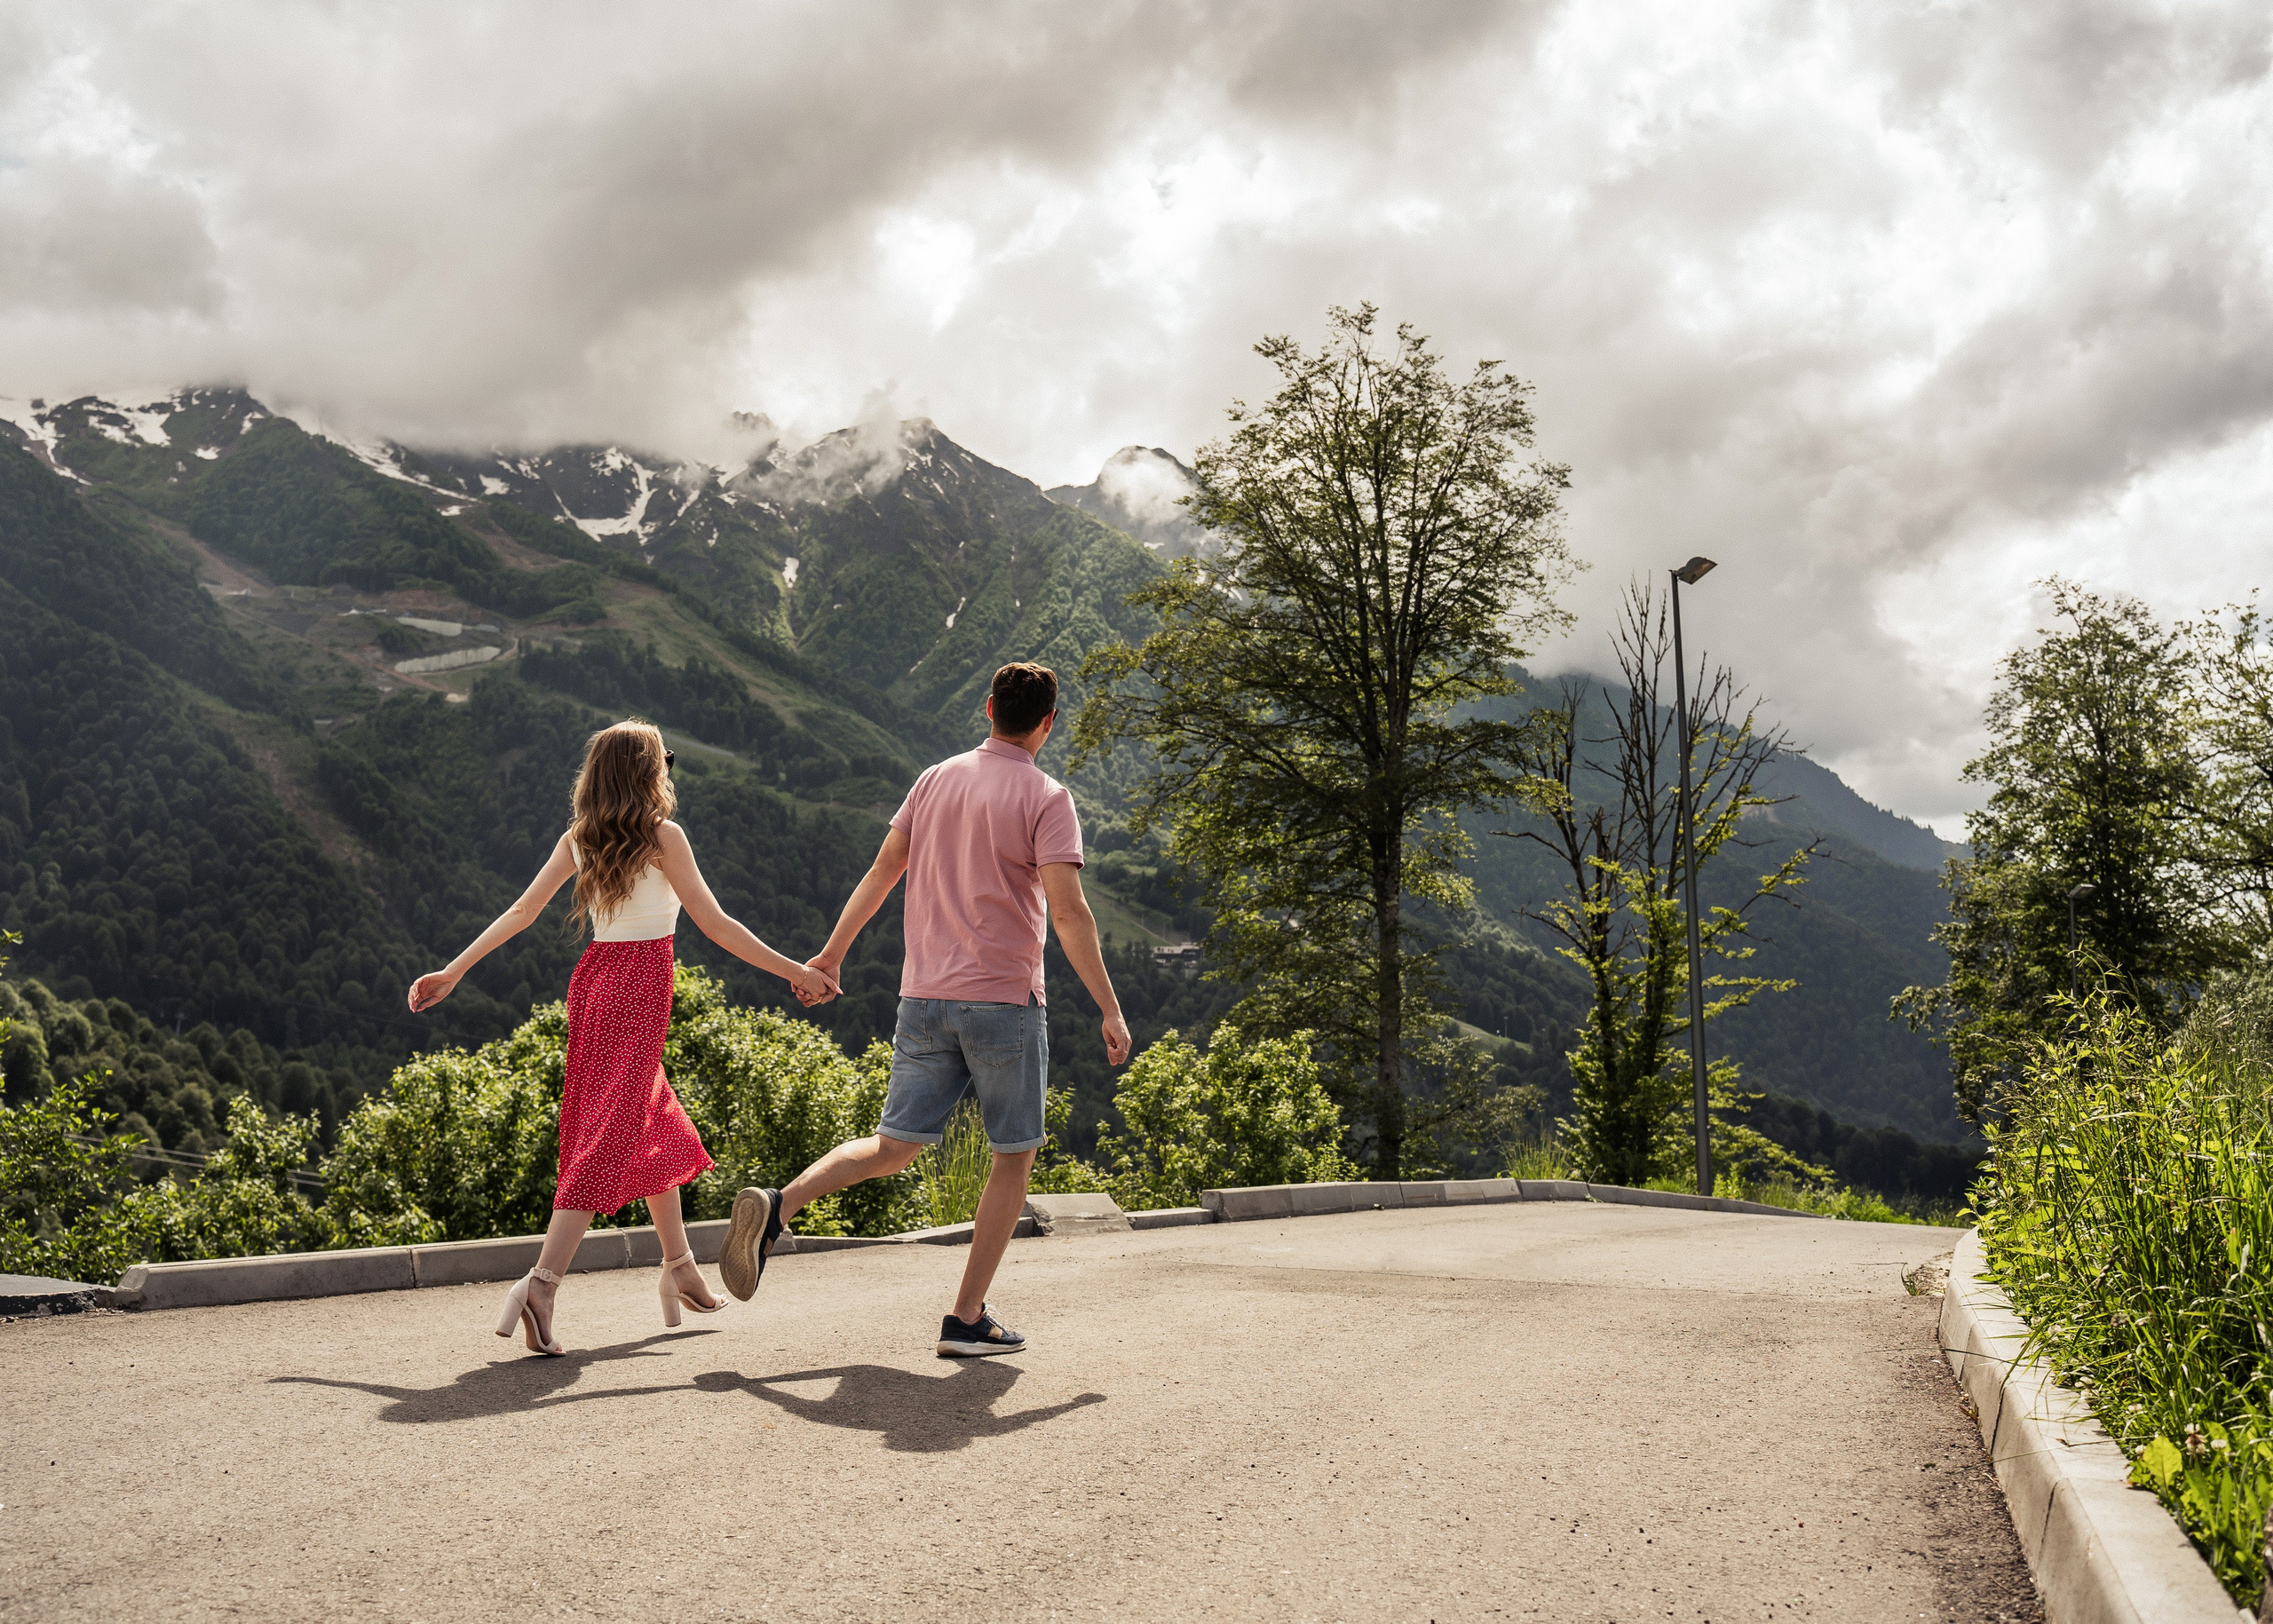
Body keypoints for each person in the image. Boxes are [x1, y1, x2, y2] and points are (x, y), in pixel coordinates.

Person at [717, 662, 1132, 1356]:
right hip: (1003, 1002)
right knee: (1014, 1156)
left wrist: (831, 955)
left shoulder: (934, 778)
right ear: (1048, 723)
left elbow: (883, 871)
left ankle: (780, 1205)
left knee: (893, 1147)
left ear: (989, 707)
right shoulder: (1048, 797)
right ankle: (966, 1317)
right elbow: (1068, 911)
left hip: (923, 997)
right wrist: (1109, 1008)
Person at [407, 719, 836, 1356]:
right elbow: (716, 923)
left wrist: (454, 969)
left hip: (595, 984)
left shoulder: (581, 837)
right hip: (638, 989)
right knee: (608, 1135)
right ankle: (542, 1283)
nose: (668, 767)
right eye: (664, 758)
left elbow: (522, 911)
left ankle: (679, 1266)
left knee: (654, 1123)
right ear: (647, 772)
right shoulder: (664, 836)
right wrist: (795, 971)